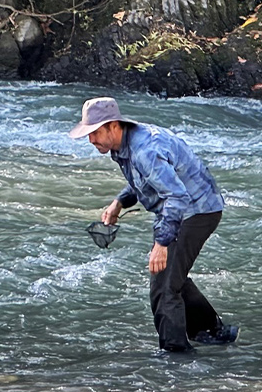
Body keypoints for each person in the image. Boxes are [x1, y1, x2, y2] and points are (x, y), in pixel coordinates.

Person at [69, 96, 239, 353]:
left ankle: (175, 356)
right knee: (172, 276)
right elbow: (146, 180)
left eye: (95, 133)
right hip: (184, 208)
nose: (91, 140)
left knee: (163, 285)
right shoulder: (123, 145)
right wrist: (119, 203)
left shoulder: (145, 149)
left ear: (114, 125)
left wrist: (162, 243)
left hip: (196, 210)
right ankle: (213, 332)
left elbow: (176, 196)